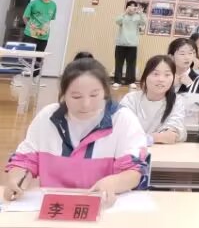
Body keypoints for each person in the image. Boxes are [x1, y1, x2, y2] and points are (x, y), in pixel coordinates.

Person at [4, 57, 148, 199]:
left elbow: (134, 170)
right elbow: (26, 160)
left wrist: (114, 183)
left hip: (103, 205)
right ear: (63, 94)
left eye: (94, 95)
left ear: (105, 91)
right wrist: (17, 178)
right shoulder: (47, 117)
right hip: (53, 205)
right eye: (76, 97)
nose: (86, 104)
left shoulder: (122, 119)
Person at [120, 54, 187, 144]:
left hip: (163, 151)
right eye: (155, 74)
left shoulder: (177, 101)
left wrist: (146, 138)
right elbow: (123, 131)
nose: (161, 79)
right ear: (145, 76)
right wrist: (156, 137)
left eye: (167, 75)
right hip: (132, 149)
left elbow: (171, 135)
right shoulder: (130, 99)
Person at [22, 0, 56, 76]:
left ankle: (35, 76)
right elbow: (25, 17)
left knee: (39, 57)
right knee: (27, 56)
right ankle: (24, 73)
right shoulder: (33, 3)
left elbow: (50, 19)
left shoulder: (53, 5)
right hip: (30, 34)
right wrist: (29, 26)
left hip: (44, 36)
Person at [112, 0, 146, 88]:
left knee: (131, 64)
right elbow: (117, 21)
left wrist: (140, 13)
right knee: (119, 63)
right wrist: (125, 12)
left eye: (134, 6)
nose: (132, 8)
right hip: (120, 43)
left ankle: (130, 81)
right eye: (130, 6)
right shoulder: (123, 16)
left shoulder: (138, 17)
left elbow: (144, 22)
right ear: (127, 7)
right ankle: (117, 81)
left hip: (132, 44)